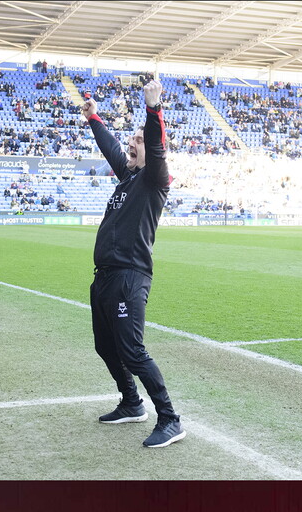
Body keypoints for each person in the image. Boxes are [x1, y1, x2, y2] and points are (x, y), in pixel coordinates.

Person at [80, 78, 186, 448]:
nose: (132, 142)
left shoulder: (155, 178)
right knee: (106, 347)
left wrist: (153, 108)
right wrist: (95, 119)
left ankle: (170, 419)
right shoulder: (129, 177)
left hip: (130, 277)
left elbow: (156, 145)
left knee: (133, 351)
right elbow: (111, 148)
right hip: (105, 278)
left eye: (139, 139)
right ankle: (131, 402)